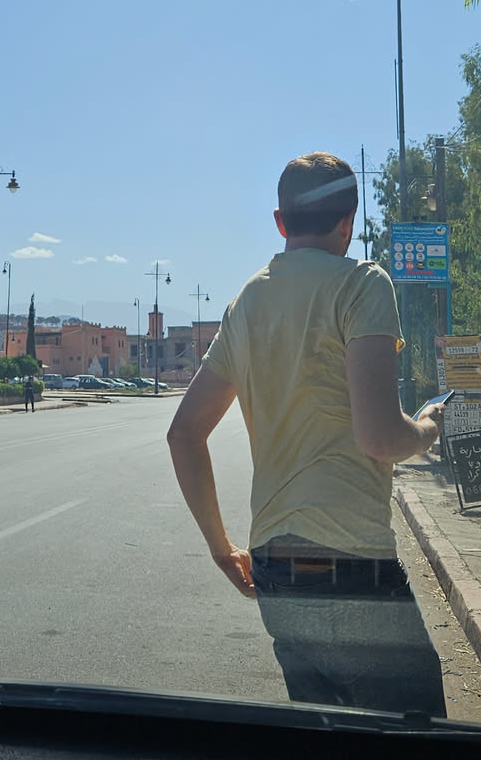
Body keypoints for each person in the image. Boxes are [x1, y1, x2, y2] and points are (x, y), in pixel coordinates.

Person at [167, 151, 448, 716]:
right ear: (348, 222)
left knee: (324, 750)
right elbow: (380, 439)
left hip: (274, 567)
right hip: (352, 564)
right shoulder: (363, 284)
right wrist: (427, 429)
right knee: (418, 745)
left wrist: (222, 549)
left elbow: (184, 434)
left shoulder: (247, 301)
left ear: (280, 221)